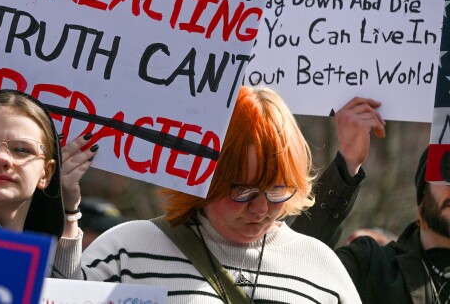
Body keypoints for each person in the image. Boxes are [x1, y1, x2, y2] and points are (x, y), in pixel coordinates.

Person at [53, 86, 362, 303]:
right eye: (243, 190)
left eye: (277, 190)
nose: (260, 209)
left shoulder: (321, 267)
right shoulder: (126, 249)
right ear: (205, 180)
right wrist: (67, 213)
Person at [293, 97, 450, 304]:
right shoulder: (370, 265)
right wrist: (347, 163)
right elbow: (296, 266)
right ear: (423, 192)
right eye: (447, 172)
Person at [0, 89, 95, 242]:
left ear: (47, 173)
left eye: (22, 150)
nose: (1, 158)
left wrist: (68, 213)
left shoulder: (44, 257)